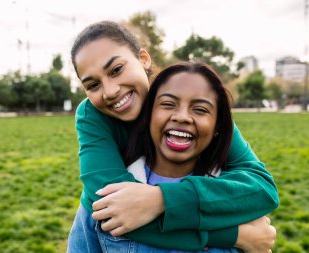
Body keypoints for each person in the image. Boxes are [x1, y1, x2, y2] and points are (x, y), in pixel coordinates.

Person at [67, 21, 278, 252]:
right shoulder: (92, 116)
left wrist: (160, 200)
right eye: (93, 85)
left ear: (144, 59)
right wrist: (232, 235)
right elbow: (114, 209)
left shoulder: (183, 97)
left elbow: (262, 187)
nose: (110, 91)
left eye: (116, 69)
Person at [93, 61, 259, 252]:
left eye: (200, 109)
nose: (181, 117)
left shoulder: (241, 203)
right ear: (148, 115)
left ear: (217, 127)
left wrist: (160, 200)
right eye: (168, 104)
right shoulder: (106, 196)